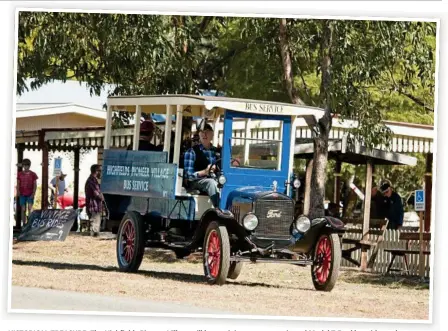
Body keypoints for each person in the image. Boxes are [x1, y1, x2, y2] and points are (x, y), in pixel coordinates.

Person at [183, 123, 220, 207]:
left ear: (212, 134)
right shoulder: (191, 152)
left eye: (207, 131)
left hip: (216, 181)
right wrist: (205, 172)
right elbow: (188, 176)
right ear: (199, 134)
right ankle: (220, 210)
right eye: (202, 132)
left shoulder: (218, 151)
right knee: (211, 183)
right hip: (196, 182)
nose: (204, 134)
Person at [85, 164, 104, 237]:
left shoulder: (93, 180)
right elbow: (97, 194)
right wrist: (103, 197)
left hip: (95, 207)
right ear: (96, 171)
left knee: (95, 226)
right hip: (94, 207)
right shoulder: (92, 181)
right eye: (100, 171)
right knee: (94, 230)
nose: (101, 173)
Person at [17, 158, 38, 224]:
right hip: (22, 194)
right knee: (23, 209)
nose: (25, 167)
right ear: (22, 166)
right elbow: (18, 183)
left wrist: (33, 193)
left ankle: (29, 223)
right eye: (24, 165)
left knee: (30, 209)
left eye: (27, 165)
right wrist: (18, 191)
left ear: (29, 166)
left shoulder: (33, 174)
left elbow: (35, 185)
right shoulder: (19, 174)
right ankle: (24, 223)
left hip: (30, 194)